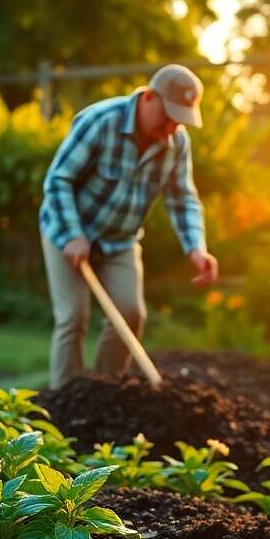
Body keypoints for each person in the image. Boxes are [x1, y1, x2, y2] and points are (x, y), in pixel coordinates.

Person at [38, 63, 219, 389]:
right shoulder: (100, 121)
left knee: (130, 314)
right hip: (67, 229)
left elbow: (183, 199)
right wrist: (74, 235)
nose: (171, 127)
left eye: (179, 120)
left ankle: (103, 393)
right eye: (168, 117)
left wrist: (196, 248)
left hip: (119, 240)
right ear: (149, 97)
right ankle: (63, 402)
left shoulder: (177, 143)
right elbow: (58, 180)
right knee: (73, 317)